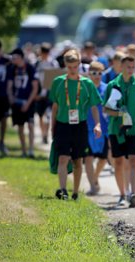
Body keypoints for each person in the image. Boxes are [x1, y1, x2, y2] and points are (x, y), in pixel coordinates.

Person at [50, 49, 102, 200]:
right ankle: (63, 190)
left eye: (75, 67)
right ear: (65, 65)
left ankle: (75, 192)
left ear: (79, 64)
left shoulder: (87, 84)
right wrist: (53, 127)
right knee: (62, 158)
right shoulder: (58, 82)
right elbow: (55, 107)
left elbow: (94, 107)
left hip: (80, 125)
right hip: (63, 125)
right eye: (70, 67)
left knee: (78, 160)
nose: (73, 70)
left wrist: (97, 124)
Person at [103, 55, 135, 207]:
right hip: (117, 130)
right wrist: (120, 114)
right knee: (119, 162)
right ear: (121, 67)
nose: (130, 70)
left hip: (134, 129)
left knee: (134, 160)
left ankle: (133, 194)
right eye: (127, 67)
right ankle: (122, 194)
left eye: (132, 67)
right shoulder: (112, 85)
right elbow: (106, 109)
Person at [7, 48, 39, 158]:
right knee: (20, 126)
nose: (13, 59)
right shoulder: (12, 68)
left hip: (29, 101)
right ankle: (23, 150)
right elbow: (9, 85)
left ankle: (31, 150)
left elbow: (35, 88)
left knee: (30, 125)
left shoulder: (30, 68)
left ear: (21, 57)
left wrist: (28, 103)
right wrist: (10, 97)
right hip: (17, 101)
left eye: (15, 57)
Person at [84, 61, 110, 195]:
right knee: (88, 158)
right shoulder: (84, 88)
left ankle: (94, 178)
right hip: (87, 128)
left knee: (103, 159)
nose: (97, 76)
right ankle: (93, 186)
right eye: (94, 73)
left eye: (100, 73)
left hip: (104, 129)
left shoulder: (107, 89)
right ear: (89, 74)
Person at [35, 42, 59, 145]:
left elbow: (55, 79)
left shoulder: (53, 63)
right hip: (39, 92)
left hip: (50, 92)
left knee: (48, 115)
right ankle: (42, 134)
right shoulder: (37, 63)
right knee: (40, 115)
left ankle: (46, 134)